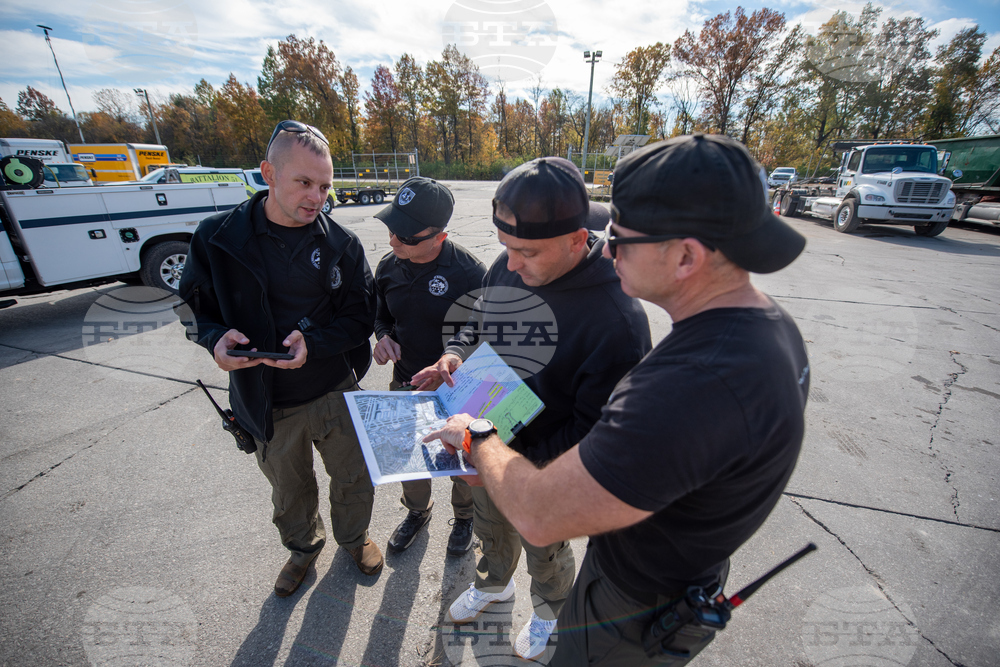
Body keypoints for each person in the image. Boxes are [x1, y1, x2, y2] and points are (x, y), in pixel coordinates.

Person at [424, 134, 810, 665]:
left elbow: (540, 515)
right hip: (651, 579)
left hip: (635, 609)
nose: (607, 248)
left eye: (622, 237)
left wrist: (477, 438)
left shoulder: (693, 382)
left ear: (685, 256)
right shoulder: (763, 328)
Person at [412, 157, 652, 661]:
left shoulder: (616, 322)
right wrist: (455, 354)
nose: (512, 265)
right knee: (489, 523)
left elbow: (593, 438)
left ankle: (550, 610)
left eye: (526, 252)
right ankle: (493, 582)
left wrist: (505, 464)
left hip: (546, 465)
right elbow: (478, 315)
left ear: (576, 238)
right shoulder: (511, 262)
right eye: (506, 248)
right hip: (486, 432)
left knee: (545, 547)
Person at [179, 120, 383, 598]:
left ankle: (354, 540)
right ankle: (303, 550)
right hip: (265, 402)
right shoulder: (217, 238)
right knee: (290, 493)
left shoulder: (341, 244)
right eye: (304, 183)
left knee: (354, 477)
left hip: (334, 390)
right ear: (269, 173)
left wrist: (316, 345)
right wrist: (214, 341)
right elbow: (193, 308)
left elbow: (360, 317)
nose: (317, 197)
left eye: (326, 186)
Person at [371, 176, 487, 556]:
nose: (393, 242)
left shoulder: (471, 273)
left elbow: (482, 330)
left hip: (458, 388)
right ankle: (417, 511)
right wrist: (382, 335)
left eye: (405, 237)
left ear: (440, 236)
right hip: (406, 382)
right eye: (392, 230)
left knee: (459, 458)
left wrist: (453, 357)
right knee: (410, 456)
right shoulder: (388, 267)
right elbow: (382, 314)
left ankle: (465, 516)